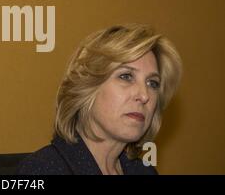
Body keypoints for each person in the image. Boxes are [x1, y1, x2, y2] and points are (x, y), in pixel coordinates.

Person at [16, 23, 182, 175]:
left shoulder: (143, 171)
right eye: (126, 76)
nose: (145, 95)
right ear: (87, 88)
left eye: (152, 83)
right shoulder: (43, 170)